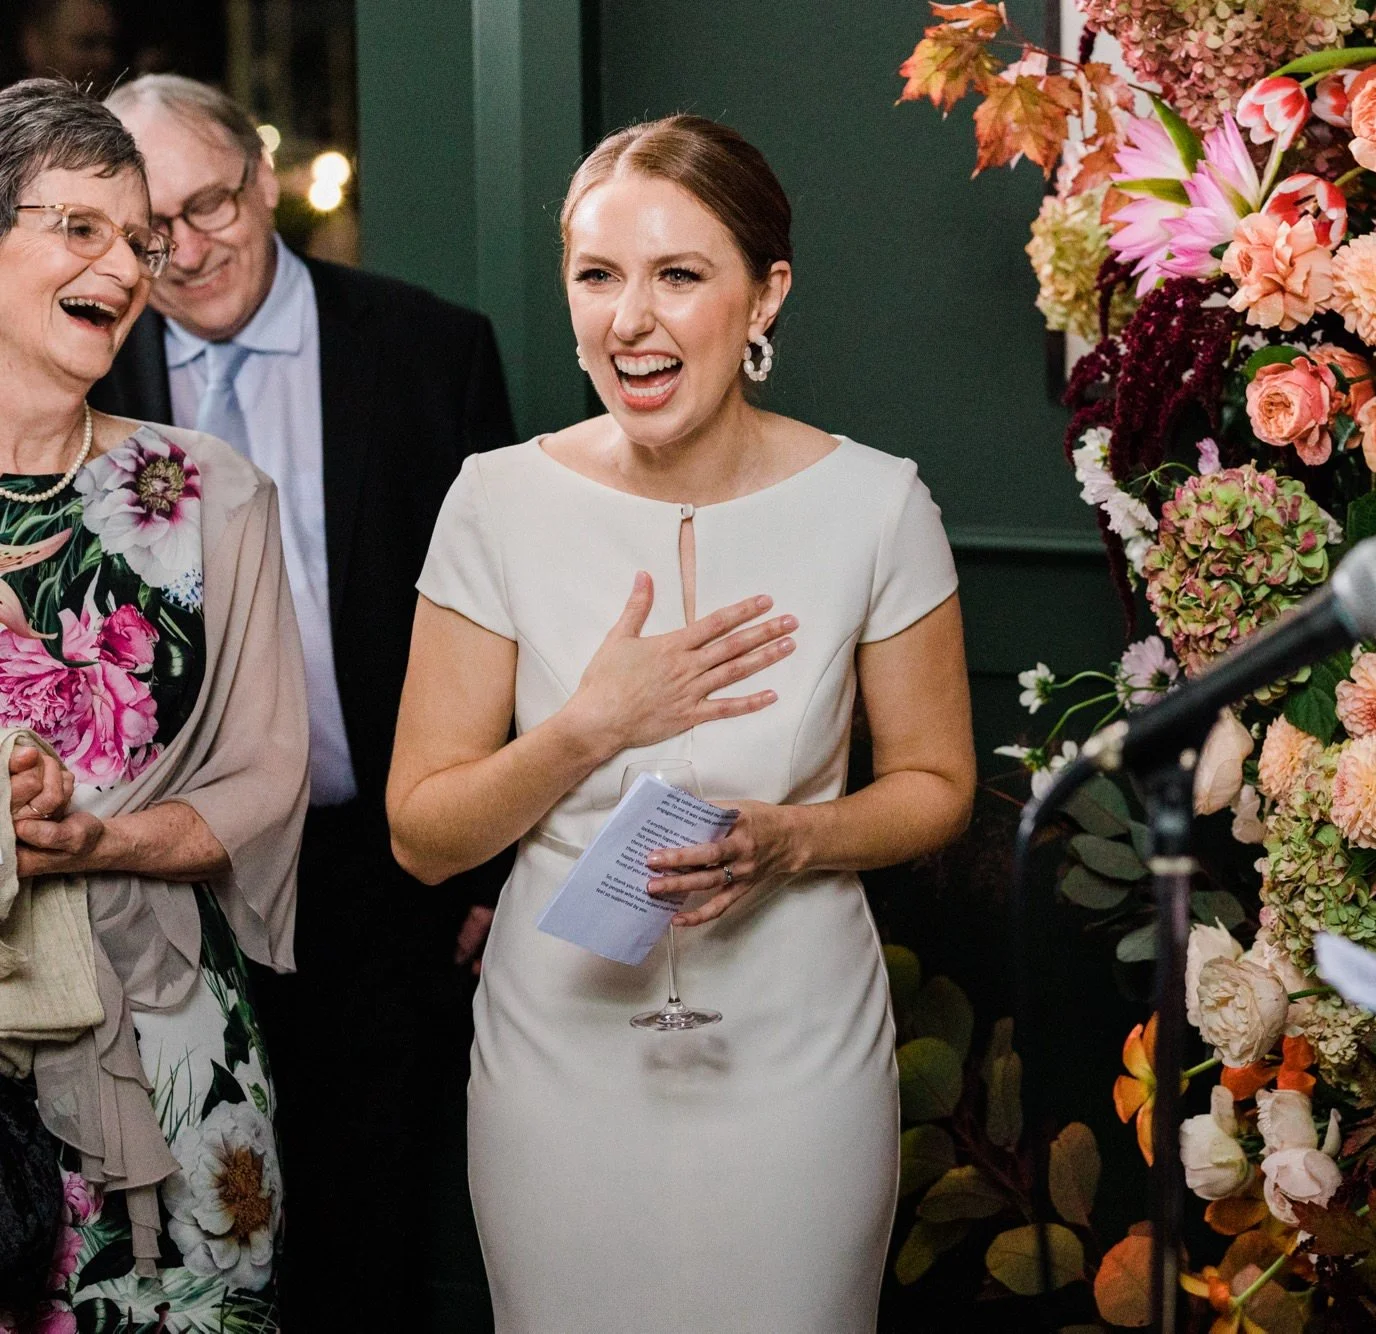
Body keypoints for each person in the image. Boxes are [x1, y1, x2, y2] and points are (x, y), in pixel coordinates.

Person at [386, 114, 977, 1331]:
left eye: (679, 275)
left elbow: (937, 781)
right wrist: (589, 726)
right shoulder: (497, 501)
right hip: (560, 1054)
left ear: (767, 295)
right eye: (597, 276)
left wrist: (792, 840)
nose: (629, 320)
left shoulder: (877, 504)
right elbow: (423, 836)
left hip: (797, 1047)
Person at [88, 74, 517, 1328]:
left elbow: (511, 620)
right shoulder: (91, 370)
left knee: (373, 1220)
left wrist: (490, 864)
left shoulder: (431, 349)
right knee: (194, 1225)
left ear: (263, 180)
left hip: (386, 861)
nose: (185, 248)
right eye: (147, 226)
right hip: (172, 886)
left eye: (210, 203)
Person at [0, 79, 307, 1325]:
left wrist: (101, 837)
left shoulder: (206, 492)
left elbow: (265, 774)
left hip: (173, 1046)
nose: (127, 266)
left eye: (139, 240)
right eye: (81, 227)